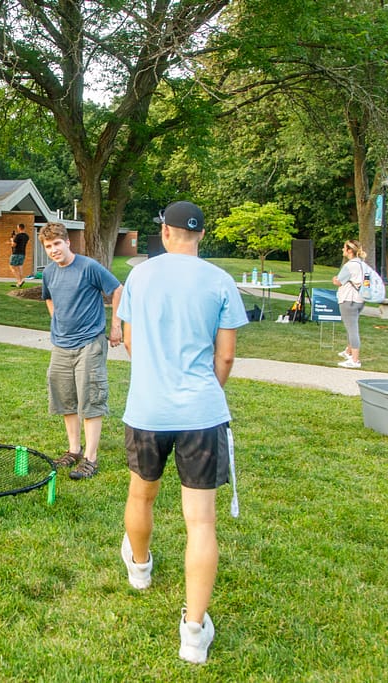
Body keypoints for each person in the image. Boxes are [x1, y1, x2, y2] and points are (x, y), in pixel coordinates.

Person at [117, 200, 247, 665]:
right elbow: (226, 358)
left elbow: (130, 341)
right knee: (201, 522)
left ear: (166, 233)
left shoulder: (139, 275)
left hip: (148, 409)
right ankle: (194, 632)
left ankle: (140, 568)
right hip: (202, 414)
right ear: (200, 236)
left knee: (141, 496)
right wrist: (202, 394)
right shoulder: (220, 281)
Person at [39, 222, 123, 480]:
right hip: (61, 345)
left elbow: (118, 289)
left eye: (57, 244)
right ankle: (74, 450)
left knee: (90, 398)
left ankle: (91, 458)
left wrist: (116, 324)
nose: (54, 250)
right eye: (48, 246)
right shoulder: (49, 273)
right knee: (65, 399)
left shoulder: (88, 267)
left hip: (90, 343)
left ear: (67, 242)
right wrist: (57, 320)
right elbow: (48, 297)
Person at [332, 240, 366, 369]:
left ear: (350, 250)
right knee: (351, 326)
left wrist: (334, 279)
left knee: (352, 329)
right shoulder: (362, 264)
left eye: (344, 248)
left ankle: (355, 360)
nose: (342, 250)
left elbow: (339, 282)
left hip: (348, 299)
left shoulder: (349, 265)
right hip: (360, 299)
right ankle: (348, 351)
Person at [9, 223, 30, 287]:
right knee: (20, 267)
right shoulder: (27, 236)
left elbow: (14, 245)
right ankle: (21, 280)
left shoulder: (18, 236)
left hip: (16, 253)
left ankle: (19, 280)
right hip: (23, 253)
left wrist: (12, 240)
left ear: (19, 228)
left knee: (12, 266)